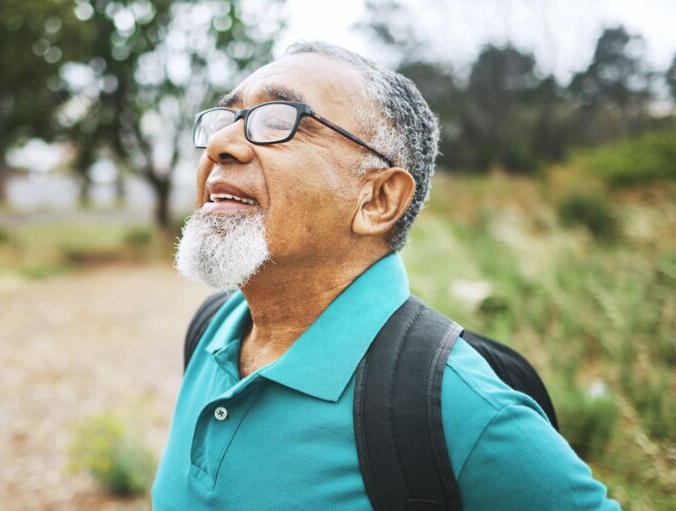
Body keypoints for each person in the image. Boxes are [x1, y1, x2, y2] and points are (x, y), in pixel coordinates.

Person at [151, 41, 620, 510]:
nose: (219, 145)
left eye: (278, 120)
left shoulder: (459, 405)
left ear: (377, 201)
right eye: (226, 119)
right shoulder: (213, 328)